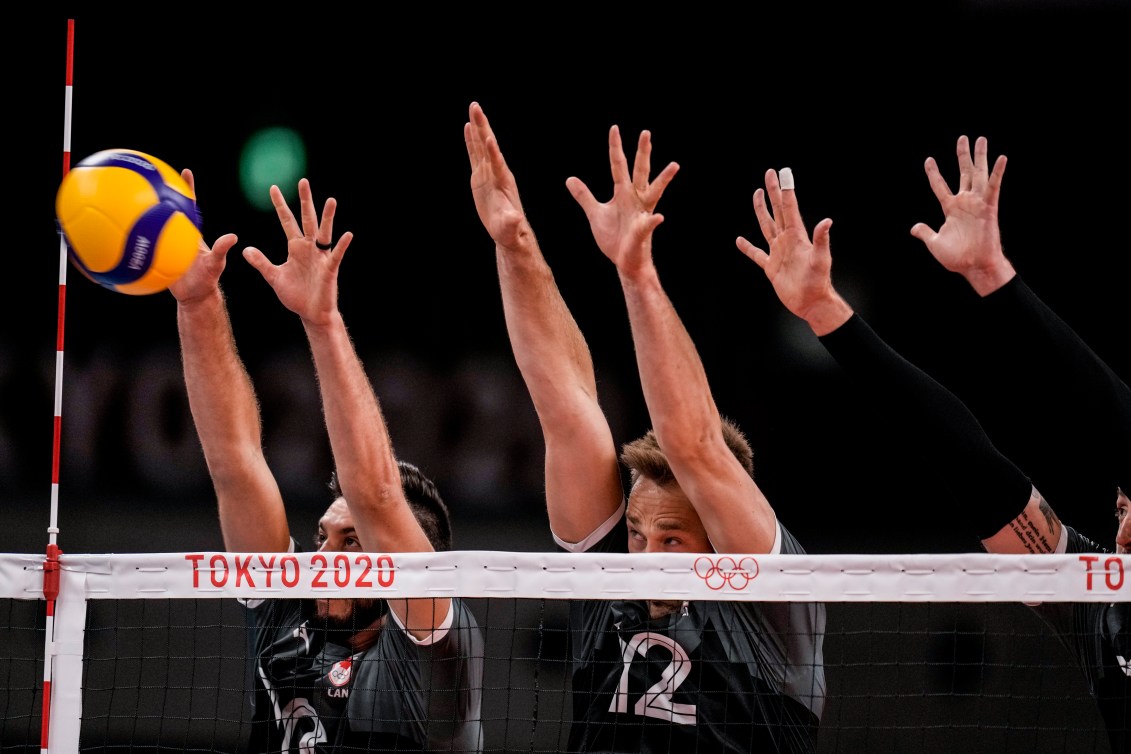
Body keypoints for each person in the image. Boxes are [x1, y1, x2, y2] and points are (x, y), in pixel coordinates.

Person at [735, 151, 1128, 752]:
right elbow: (966, 457)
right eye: (1122, 508)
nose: (1124, 527)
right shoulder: (1100, 605)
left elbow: (1115, 419)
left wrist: (999, 282)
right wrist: (826, 313)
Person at [466, 101, 825, 753]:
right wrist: (514, 244)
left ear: (720, 540)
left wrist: (635, 273)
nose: (645, 556)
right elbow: (567, 411)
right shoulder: (611, 582)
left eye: (671, 539)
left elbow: (695, 446)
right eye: (636, 532)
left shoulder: (771, 606)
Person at [170, 172, 484, 752]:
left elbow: (380, 499)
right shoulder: (287, 610)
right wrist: (196, 301)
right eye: (323, 538)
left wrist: (322, 323)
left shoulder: (437, 647)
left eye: (351, 543)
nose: (324, 557)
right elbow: (234, 462)